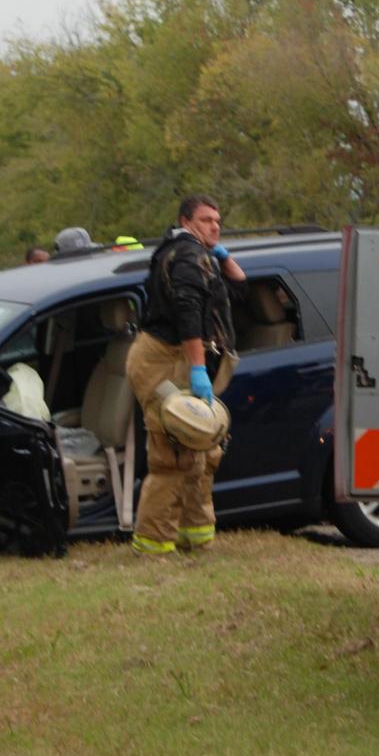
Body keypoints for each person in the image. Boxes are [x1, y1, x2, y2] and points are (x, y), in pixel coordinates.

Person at [126, 195, 244, 555]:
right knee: (171, 453)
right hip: (164, 360)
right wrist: (197, 368)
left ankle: (195, 536)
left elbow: (240, 289)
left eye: (218, 221)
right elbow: (188, 314)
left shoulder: (198, 254)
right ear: (185, 221)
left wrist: (224, 256)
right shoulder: (188, 257)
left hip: (181, 357)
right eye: (206, 220)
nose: (214, 226)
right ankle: (154, 543)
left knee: (201, 448)